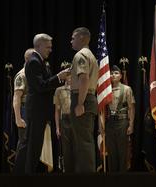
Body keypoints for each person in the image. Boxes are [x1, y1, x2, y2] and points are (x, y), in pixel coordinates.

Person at [24, 33, 69, 174]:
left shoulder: (40, 61)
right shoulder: (34, 62)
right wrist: (58, 77)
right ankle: (27, 177)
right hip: (36, 111)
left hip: (41, 111)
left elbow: (47, 84)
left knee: (36, 146)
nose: (50, 49)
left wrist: (59, 78)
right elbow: (41, 86)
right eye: (48, 47)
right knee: (33, 146)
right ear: (40, 45)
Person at [70, 27, 99, 172]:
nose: (71, 41)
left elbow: (84, 79)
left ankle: (86, 178)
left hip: (82, 98)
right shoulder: (91, 55)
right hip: (90, 97)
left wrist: (80, 103)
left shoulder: (80, 55)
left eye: (73, 37)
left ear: (81, 38)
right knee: (85, 140)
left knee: (83, 142)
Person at [102, 65, 135, 172]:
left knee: (122, 151)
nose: (113, 75)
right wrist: (101, 126)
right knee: (112, 152)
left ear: (121, 76)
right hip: (110, 122)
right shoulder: (106, 90)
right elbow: (102, 110)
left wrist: (131, 125)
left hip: (122, 122)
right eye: (111, 73)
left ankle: (122, 177)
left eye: (116, 73)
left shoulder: (126, 89)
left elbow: (131, 108)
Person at [13, 48, 34, 174]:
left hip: (33, 110)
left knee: (32, 144)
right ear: (28, 59)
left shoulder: (33, 73)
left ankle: (28, 174)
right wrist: (18, 118)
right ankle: (18, 174)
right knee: (24, 143)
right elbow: (17, 97)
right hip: (24, 109)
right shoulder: (22, 75)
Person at [54, 65, 73, 172]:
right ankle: (67, 171)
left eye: (72, 75)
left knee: (77, 147)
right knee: (66, 148)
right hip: (64, 120)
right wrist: (57, 127)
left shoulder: (78, 89)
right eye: (68, 75)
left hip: (76, 120)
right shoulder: (59, 90)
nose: (70, 77)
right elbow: (57, 110)